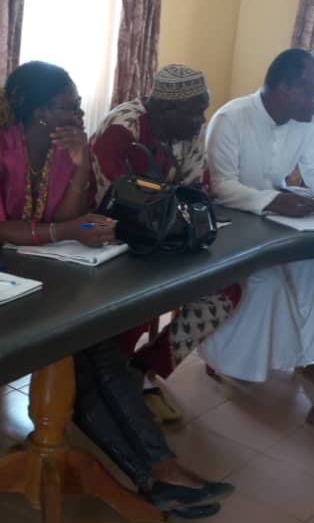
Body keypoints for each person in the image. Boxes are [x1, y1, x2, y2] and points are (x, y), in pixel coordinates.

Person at [0, 60, 231, 518]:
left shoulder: (62, 149)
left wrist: (80, 167)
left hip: (40, 270)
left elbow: (68, 214)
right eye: (67, 106)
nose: (78, 115)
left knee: (95, 348)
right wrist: (67, 231)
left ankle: (159, 472)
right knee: (82, 355)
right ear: (37, 111)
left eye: (79, 106)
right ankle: (157, 473)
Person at [90, 64, 241, 418]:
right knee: (142, 300)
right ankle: (108, 387)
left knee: (225, 292)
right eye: (195, 111)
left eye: (203, 109)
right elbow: (118, 201)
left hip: (164, 236)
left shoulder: (188, 131)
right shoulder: (122, 129)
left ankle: (142, 370)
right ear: (165, 108)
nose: (201, 120)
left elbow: (197, 190)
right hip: (107, 236)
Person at [202, 48, 314, 382]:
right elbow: (221, 186)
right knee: (267, 284)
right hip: (231, 222)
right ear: (285, 91)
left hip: (281, 221)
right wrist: (272, 200)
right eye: (312, 92)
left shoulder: (309, 120)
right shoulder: (231, 118)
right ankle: (230, 362)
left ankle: (293, 357)